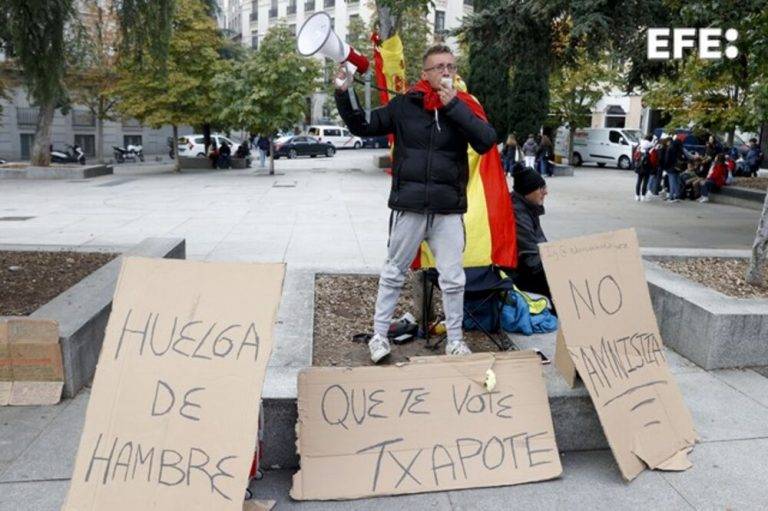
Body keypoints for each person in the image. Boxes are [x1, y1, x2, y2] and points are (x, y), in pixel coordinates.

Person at [334, 44, 497, 363]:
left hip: (448, 209)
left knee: (453, 278)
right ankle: (379, 336)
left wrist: (454, 108)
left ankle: (455, 339)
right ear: (425, 74)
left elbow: (486, 140)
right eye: (439, 67)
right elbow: (362, 126)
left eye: (451, 66)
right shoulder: (405, 105)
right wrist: (343, 93)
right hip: (409, 207)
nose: (446, 72)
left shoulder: (462, 106)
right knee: (394, 272)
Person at [510, 164, 554, 307]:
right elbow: (531, 258)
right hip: (521, 275)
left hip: (530, 268)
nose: (545, 192)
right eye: (541, 188)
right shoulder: (518, 213)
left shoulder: (527, 208)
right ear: (528, 191)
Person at [663, 135, 684, 202]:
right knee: (677, 182)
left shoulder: (670, 148)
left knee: (672, 182)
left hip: (671, 167)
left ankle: (671, 197)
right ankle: (677, 196)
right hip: (678, 167)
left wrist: (665, 166)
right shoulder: (679, 148)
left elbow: (667, 159)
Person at [635, 134, 654, 201]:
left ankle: (637, 196)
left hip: (640, 166)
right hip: (647, 167)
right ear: (651, 140)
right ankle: (643, 196)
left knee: (639, 181)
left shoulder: (640, 146)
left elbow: (635, 156)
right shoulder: (651, 147)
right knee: (645, 182)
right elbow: (653, 159)